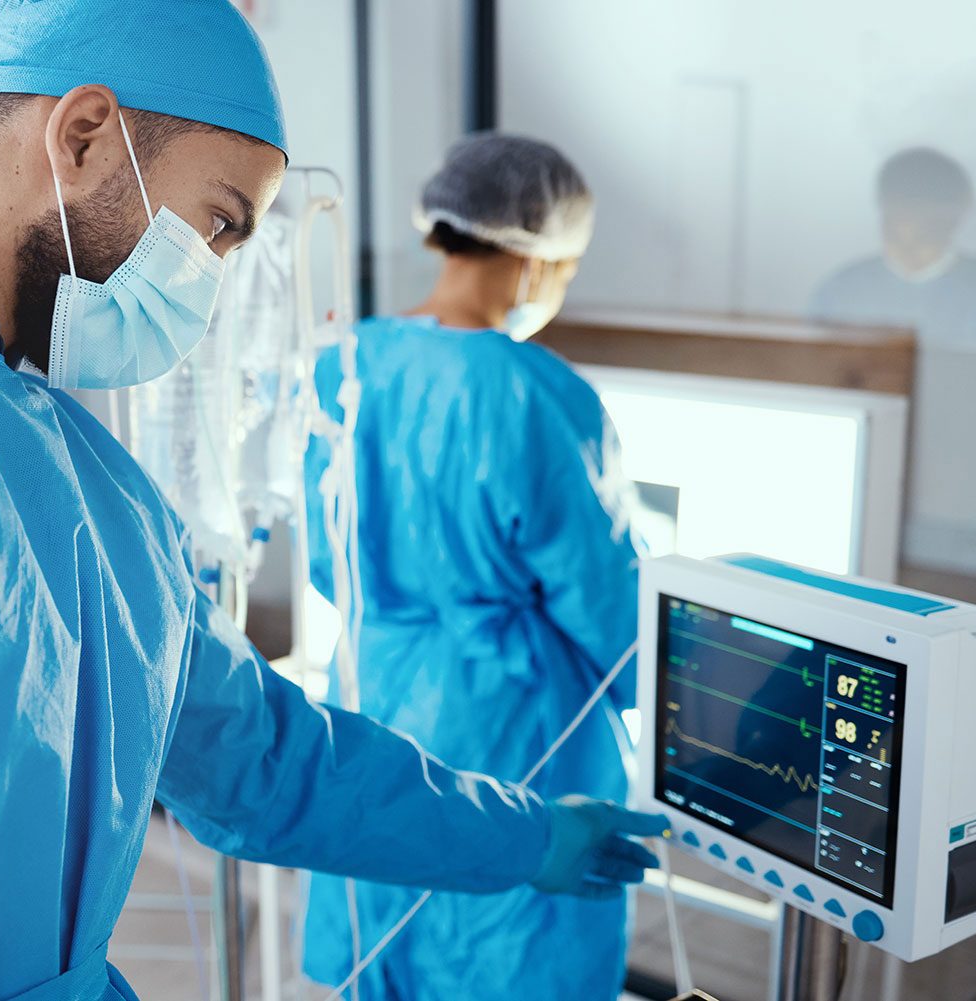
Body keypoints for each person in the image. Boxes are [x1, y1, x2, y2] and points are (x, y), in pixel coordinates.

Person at [0, 3, 668, 999]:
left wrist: (526, 838)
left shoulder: (95, 484)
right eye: (221, 225)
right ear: (84, 134)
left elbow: (260, 759)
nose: (217, 277)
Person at [302, 133, 646, 1000]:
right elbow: (613, 612)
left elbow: (326, 557)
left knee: (391, 913)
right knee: (509, 933)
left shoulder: (345, 364)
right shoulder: (534, 391)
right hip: (517, 723)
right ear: (539, 257)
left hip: (375, 694)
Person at [809, 147, 976, 344]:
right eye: (902, 204)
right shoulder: (841, 292)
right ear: (883, 204)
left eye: (927, 208)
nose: (911, 221)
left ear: (959, 211)